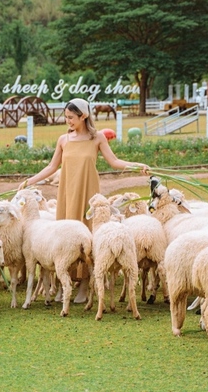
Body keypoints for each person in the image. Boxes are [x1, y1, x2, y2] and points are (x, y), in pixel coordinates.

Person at [18, 97, 150, 302]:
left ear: (83, 116)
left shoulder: (97, 138)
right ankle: (65, 283)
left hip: (88, 191)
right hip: (67, 192)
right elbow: (52, 167)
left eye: (71, 117)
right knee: (65, 237)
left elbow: (114, 161)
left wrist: (137, 165)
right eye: (66, 117)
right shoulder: (63, 140)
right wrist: (30, 181)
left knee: (87, 236)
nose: (68, 121)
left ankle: (85, 285)